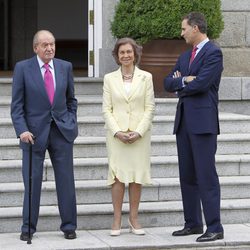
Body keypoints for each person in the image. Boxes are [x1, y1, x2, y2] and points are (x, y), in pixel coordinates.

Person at [11, 30, 78, 241]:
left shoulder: (65, 67)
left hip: (61, 132)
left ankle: (69, 226)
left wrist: (71, 121)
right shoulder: (23, 68)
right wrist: (22, 129)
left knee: (66, 182)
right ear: (35, 48)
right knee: (32, 182)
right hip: (33, 134)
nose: (50, 48)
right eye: (45, 45)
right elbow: (17, 106)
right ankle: (28, 228)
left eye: (52, 44)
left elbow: (71, 100)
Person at [164, 12, 224, 242]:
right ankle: (193, 223)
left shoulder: (213, 53)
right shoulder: (184, 56)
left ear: (196, 28)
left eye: (183, 29)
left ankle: (215, 227)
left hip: (203, 124)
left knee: (206, 175)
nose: (181, 33)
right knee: (187, 175)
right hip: (184, 123)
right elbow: (167, 82)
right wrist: (184, 80)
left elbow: (202, 84)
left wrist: (186, 81)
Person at [102, 37, 155, 236]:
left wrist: (139, 131)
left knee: (136, 177)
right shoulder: (109, 79)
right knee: (117, 177)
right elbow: (106, 109)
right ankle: (117, 219)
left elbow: (150, 107)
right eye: (122, 52)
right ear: (117, 56)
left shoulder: (146, 77)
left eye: (129, 52)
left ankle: (133, 218)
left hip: (139, 135)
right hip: (117, 136)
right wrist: (117, 132)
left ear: (135, 54)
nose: (126, 55)